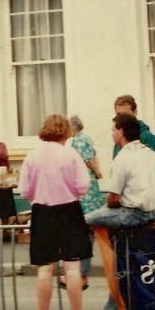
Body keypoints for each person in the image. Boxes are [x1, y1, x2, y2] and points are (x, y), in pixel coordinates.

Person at [85, 112, 155, 310]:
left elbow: (113, 199)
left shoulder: (123, 157)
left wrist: (107, 209)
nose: (111, 134)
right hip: (153, 212)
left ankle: (81, 274)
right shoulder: (151, 154)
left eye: (113, 129)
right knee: (122, 258)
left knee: (85, 221)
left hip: (132, 214)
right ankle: (110, 309)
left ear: (120, 132)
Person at [19, 114, 93, 310]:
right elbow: (82, 186)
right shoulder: (71, 155)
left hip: (43, 212)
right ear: (65, 132)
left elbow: (24, 190)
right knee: (72, 267)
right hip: (69, 211)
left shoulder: (32, 156)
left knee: (45, 268)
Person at [65, 114, 104, 293]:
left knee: (84, 227)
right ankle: (80, 273)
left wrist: (96, 171)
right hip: (86, 187)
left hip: (85, 188)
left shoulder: (80, 140)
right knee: (86, 228)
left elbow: (87, 160)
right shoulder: (80, 139)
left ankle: (81, 273)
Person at [113, 94, 155, 176]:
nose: (122, 119)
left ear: (135, 112)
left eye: (126, 114)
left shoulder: (147, 137)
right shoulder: (119, 139)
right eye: (119, 115)